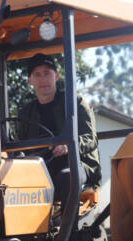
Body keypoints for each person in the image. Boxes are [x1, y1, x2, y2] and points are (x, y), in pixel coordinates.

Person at [17, 53, 101, 211]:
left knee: (66, 177)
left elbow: (91, 138)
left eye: (47, 73)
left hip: (77, 164)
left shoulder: (75, 102)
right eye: (37, 75)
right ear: (30, 81)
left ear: (56, 76)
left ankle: (69, 227)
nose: (43, 79)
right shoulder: (25, 113)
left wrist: (69, 146)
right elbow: (20, 148)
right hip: (41, 166)